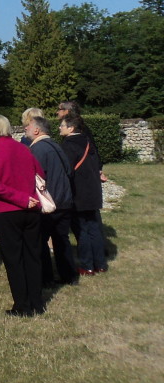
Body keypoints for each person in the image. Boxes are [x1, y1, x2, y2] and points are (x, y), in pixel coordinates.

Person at [0, 114, 46, 317]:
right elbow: (41, 175)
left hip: (6, 210)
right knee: (33, 256)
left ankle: (22, 305)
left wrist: (20, 198)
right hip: (31, 209)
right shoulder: (25, 149)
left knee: (13, 259)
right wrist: (27, 196)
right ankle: (37, 302)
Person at [25, 116, 77, 285]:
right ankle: (69, 276)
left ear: (37, 130)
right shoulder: (56, 145)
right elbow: (69, 171)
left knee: (40, 240)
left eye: (28, 126)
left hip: (50, 202)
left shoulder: (38, 149)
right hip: (65, 199)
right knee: (62, 239)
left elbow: (36, 176)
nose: (25, 128)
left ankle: (46, 278)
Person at [59, 116, 108, 275]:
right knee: (94, 228)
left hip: (78, 192)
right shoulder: (88, 142)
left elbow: (66, 170)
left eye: (62, 125)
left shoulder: (68, 145)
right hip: (92, 191)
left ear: (71, 128)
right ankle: (100, 264)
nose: (60, 127)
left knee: (82, 230)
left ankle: (87, 265)